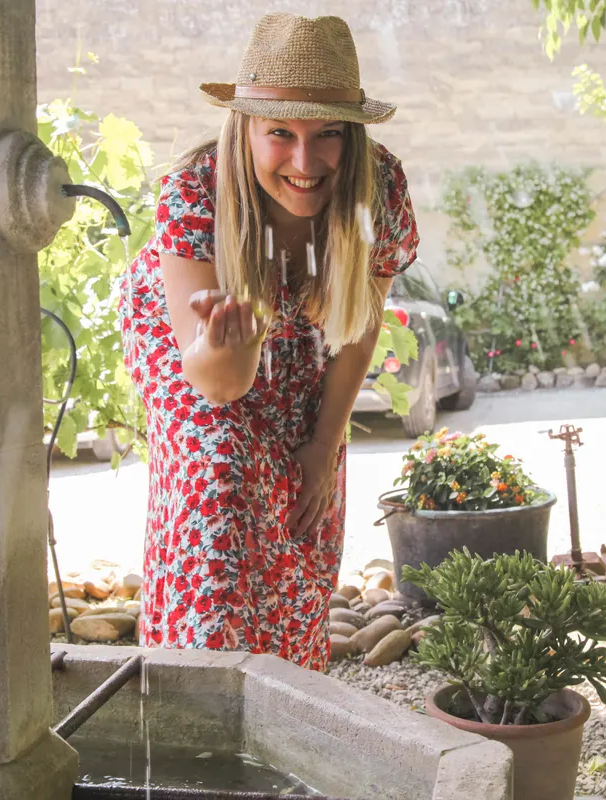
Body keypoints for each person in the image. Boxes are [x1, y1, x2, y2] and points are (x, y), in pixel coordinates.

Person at [120, 12, 418, 671]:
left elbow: (360, 324)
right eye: (280, 132)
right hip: (199, 346)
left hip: (302, 352)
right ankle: (193, 695)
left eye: (328, 135)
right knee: (219, 481)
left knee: (297, 509)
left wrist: (322, 443)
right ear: (246, 127)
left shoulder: (378, 190)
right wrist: (238, 340)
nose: (305, 162)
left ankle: (281, 710)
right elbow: (216, 383)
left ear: (354, 135)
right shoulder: (196, 196)